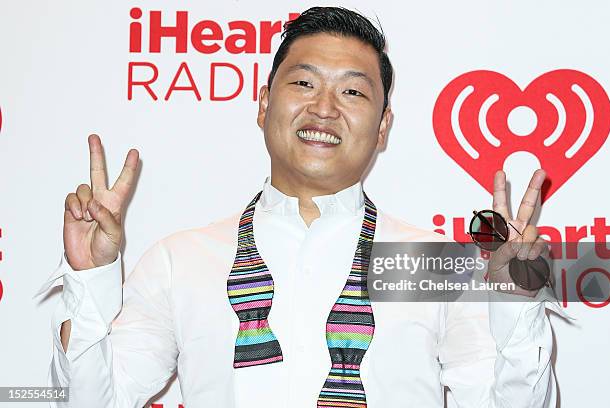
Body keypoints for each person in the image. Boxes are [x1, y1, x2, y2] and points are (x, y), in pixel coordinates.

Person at [40, 6, 561, 408]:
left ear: (383, 128)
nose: (325, 108)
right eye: (304, 83)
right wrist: (90, 281)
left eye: (353, 92)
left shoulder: (433, 263)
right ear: (264, 103)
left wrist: (515, 301)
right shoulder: (180, 260)